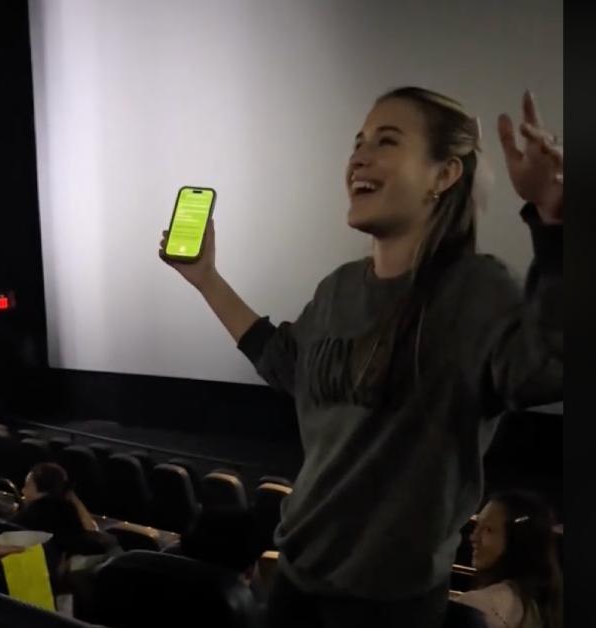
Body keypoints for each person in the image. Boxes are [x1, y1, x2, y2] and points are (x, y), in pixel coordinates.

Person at [159, 87, 562, 627]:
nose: (359, 157)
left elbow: (544, 370)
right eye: (358, 142)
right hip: (296, 584)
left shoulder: (477, 290)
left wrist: (553, 220)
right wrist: (205, 278)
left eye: (386, 141)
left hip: (387, 608)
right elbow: (283, 363)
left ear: (444, 175)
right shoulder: (338, 290)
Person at [456, 491, 563, 628]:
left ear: (517, 541)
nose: (473, 537)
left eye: (488, 529)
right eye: (478, 526)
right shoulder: (547, 605)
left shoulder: (477, 607)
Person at [19, 462, 100, 532]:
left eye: (27, 486)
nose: (23, 490)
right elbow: (92, 530)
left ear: (43, 493)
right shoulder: (69, 516)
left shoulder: (29, 519)